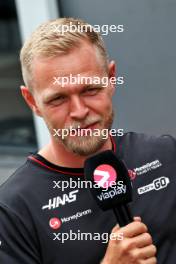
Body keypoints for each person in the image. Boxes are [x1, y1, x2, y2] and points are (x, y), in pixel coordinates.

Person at [1, 17, 175, 264]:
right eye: (58, 99)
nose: (79, 111)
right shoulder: (14, 211)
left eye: (90, 90)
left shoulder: (166, 156)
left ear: (111, 77)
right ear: (32, 102)